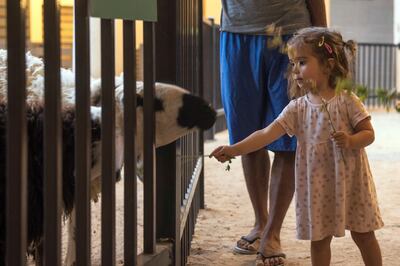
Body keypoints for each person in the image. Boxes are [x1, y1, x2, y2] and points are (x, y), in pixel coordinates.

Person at [212, 27, 384, 266]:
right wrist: (233, 150)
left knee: (364, 234)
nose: (295, 70)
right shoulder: (297, 108)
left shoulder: (347, 101)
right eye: (293, 64)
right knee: (319, 239)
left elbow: (369, 134)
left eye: (302, 62)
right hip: (317, 188)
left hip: (351, 182)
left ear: (328, 64)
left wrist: (351, 140)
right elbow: (265, 134)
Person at [219, 0, 326, 265]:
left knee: (290, 134)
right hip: (237, 33)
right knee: (246, 134)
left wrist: (321, 36)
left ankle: (273, 232)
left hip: (291, 31)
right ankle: (260, 221)